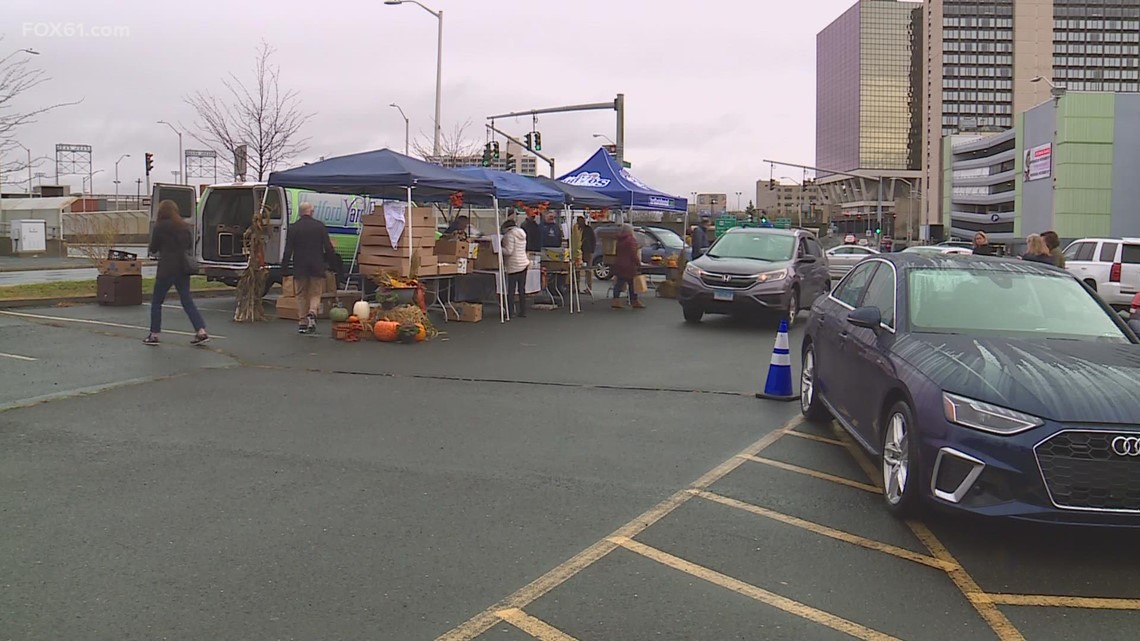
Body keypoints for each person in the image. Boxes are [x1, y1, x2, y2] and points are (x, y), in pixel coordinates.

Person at [144, 200, 209, 346]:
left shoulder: (159, 226)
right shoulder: (183, 226)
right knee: (186, 300)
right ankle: (201, 331)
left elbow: (153, 247)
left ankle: (154, 334)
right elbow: (188, 245)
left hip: (166, 268)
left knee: (157, 302)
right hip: (182, 267)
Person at [282, 201, 336, 334]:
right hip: (317, 265)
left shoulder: (293, 228)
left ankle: (302, 322)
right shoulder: (320, 227)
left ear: (300, 213)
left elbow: (288, 250)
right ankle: (312, 312)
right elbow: (328, 247)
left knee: (301, 294)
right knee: (315, 293)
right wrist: (332, 264)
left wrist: (284, 267)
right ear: (311, 212)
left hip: (299, 266)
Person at [500, 218, 531, 318]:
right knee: (522, 289)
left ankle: (510, 311)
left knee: (511, 290)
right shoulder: (522, 233)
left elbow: (508, 251)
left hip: (514, 264)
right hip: (524, 262)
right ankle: (523, 311)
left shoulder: (509, 235)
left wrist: (499, 248)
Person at [612, 224, 645, 310]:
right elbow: (633, 253)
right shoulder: (631, 240)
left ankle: (615, 300)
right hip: (629, 265)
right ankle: (634, 301)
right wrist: (638, 263)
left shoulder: (619, 240)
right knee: (632, 284)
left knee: (619, 283)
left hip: (619, 264)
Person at [573, 216, 597, 290]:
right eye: (579, 221)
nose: (580, 222)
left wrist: (592, 250)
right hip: (577, 251)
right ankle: (576, 287)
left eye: (582, 221)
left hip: (587, 251)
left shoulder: (588, 229)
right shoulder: (575, 229)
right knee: (576, 269)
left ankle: (589, 287)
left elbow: (593, 240)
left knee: (588, 270)